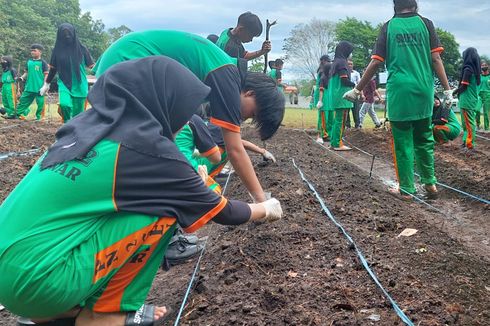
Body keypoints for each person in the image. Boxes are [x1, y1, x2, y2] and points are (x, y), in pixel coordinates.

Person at [0, 57, 283, 326]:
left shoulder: (84, 127)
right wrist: (265, 209)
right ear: (164, 101)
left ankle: (54, 314)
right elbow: (222, 211)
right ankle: (104, 314)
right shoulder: (147, 149)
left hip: (13, 273)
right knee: (165, 210)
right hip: (37, 283)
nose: (185, 119)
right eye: (184, 109)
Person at [94, 30, 285, 203]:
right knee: (138, 150)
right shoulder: (227, 76)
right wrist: (262, 202)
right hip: (127, 61)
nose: (244, 118)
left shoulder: (224, 72)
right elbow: (234, 149)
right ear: (250, 93)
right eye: (252, 113)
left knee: (155, 149)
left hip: (129, 59)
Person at [344, 0, 452, 199]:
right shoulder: (426, 24)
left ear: (395, 5)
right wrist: (447, 90)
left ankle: (407, 189)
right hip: (423, 91)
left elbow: (376, 61)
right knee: (424, 139)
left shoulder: (389, 27)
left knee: (402, 142)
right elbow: (436, 60)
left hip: (400, 91)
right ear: (414, 4)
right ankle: (430, 184)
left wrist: (357, 89)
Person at [40, 23, 94, 122]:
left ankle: (76, 131)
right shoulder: (57, 51)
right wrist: (46, 84)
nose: (67, 36)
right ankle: (67, 125)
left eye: (69, 34)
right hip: (64, 83)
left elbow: (92, 66)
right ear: (60, 36)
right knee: (65, 105)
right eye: (64, 34)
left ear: (73, 34)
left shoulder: (82, 49)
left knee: (79, 114)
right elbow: (53, 69)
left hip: (80, 84)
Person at [326, 41, 355, 151]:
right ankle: (338, 144)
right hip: (342, 96)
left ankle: (334, 142)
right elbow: (344, 80)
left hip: (336, 96)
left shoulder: (335, 62)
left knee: (337, 120)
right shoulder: (343, 63)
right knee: (341, 120)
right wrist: (355, 85)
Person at [453, 47, 481, 151]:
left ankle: (469, 145)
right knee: (466, 123)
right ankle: (466, 142)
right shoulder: (475, 70)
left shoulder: (468, 69)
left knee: (468, 124)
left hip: (466, 100)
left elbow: (464, 86)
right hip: (471, 99)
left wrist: (454, 92)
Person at [15, 44, 48, 120]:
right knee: (23, 101)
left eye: (34, 50)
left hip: (39, 87)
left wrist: (45, 86)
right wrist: (22, 77)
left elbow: (46, 75)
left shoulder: (43, 63)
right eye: (31, 51)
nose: (32, 52)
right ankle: (17, 115)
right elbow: (26, 72)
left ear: (40, 52)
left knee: (40, 103)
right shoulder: (29, 62)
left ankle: (39, 117)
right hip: (29, 86)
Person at [316, 56, 334, 143]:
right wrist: (320, 100)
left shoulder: (331, 78)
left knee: (331, 118)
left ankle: (329, 134)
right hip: (324, 100)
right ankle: (322, 134)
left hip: (330, 100)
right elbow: (321, 90)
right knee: (323, 118)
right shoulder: (322, 75)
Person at [345, 59, 361, 129]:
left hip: (355, 93)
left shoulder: (356, 73)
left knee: (356, 109)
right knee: (347, 110)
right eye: (348, 64)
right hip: (347, 94)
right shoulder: (344, 73)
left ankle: (357, 125)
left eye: (351, 64)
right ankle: (347, 125)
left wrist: (361, 94)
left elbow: (359, 83)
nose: (350, 65)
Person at [479, 61, 490, 132]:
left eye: (485, 65)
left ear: (488, 66)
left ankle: (486, 128)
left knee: (486, 112)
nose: (484, 66)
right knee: (476, 110)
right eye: (482, 65)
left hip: (488, 96)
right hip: (479, 95)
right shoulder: (479, 76)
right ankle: (477, 125)